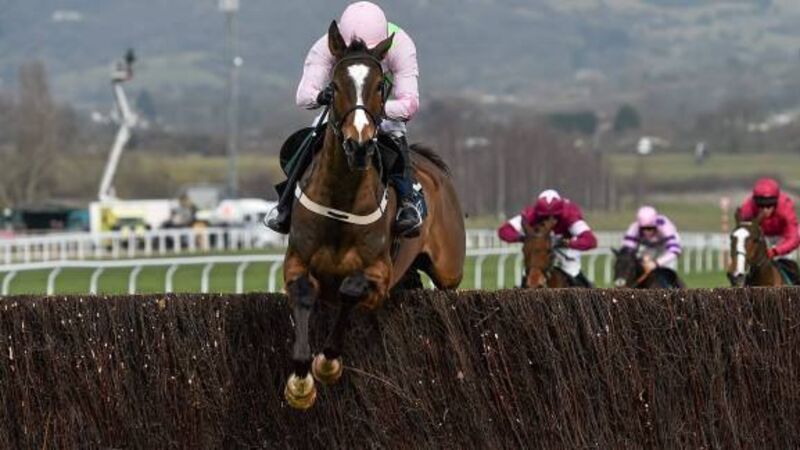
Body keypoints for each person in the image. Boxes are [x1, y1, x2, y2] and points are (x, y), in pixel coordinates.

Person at [267, 1, 425, 237]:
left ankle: (407, 203)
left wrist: (373, 110)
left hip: (381, 110)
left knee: (395, 134)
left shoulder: (400, 45)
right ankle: (286, 202)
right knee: (311, 137)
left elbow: (409, 104)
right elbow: (303, 95)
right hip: (343, 111)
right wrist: (320, 96)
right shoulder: (327, 45)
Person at [497, 189, 598, 286]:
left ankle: (589, 292)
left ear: (561, 212)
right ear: (538, 213)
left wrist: (567, 243)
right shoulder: (530, 214)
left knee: (573, 272)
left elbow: (590, 240)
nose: (550, 219)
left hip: (566, 252)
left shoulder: (570, 215)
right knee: (528, 276)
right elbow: (504, 231)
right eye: (544, 217)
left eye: (555, 216)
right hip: (540, 252)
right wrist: (523, 238)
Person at [739, 177, 800, 284]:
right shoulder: (747, 209)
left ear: (776, 202)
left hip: (783, 237)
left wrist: (776, 251)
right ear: (755, 203)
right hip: (762, 237)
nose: (765, 210)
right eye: (761, 206)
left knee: (790, 265)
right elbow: (744, 235)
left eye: (769, 205)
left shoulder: (785, 207)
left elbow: (794, 238)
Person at [622, 206, 682, 274]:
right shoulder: (633, 228)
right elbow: (627, 252)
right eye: (643, 229)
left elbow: (675, 251)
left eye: (650, 228)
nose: (647, 232)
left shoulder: (665, 226)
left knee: (667, 272)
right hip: (650, 246)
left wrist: (656, 263)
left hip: (666, 246)